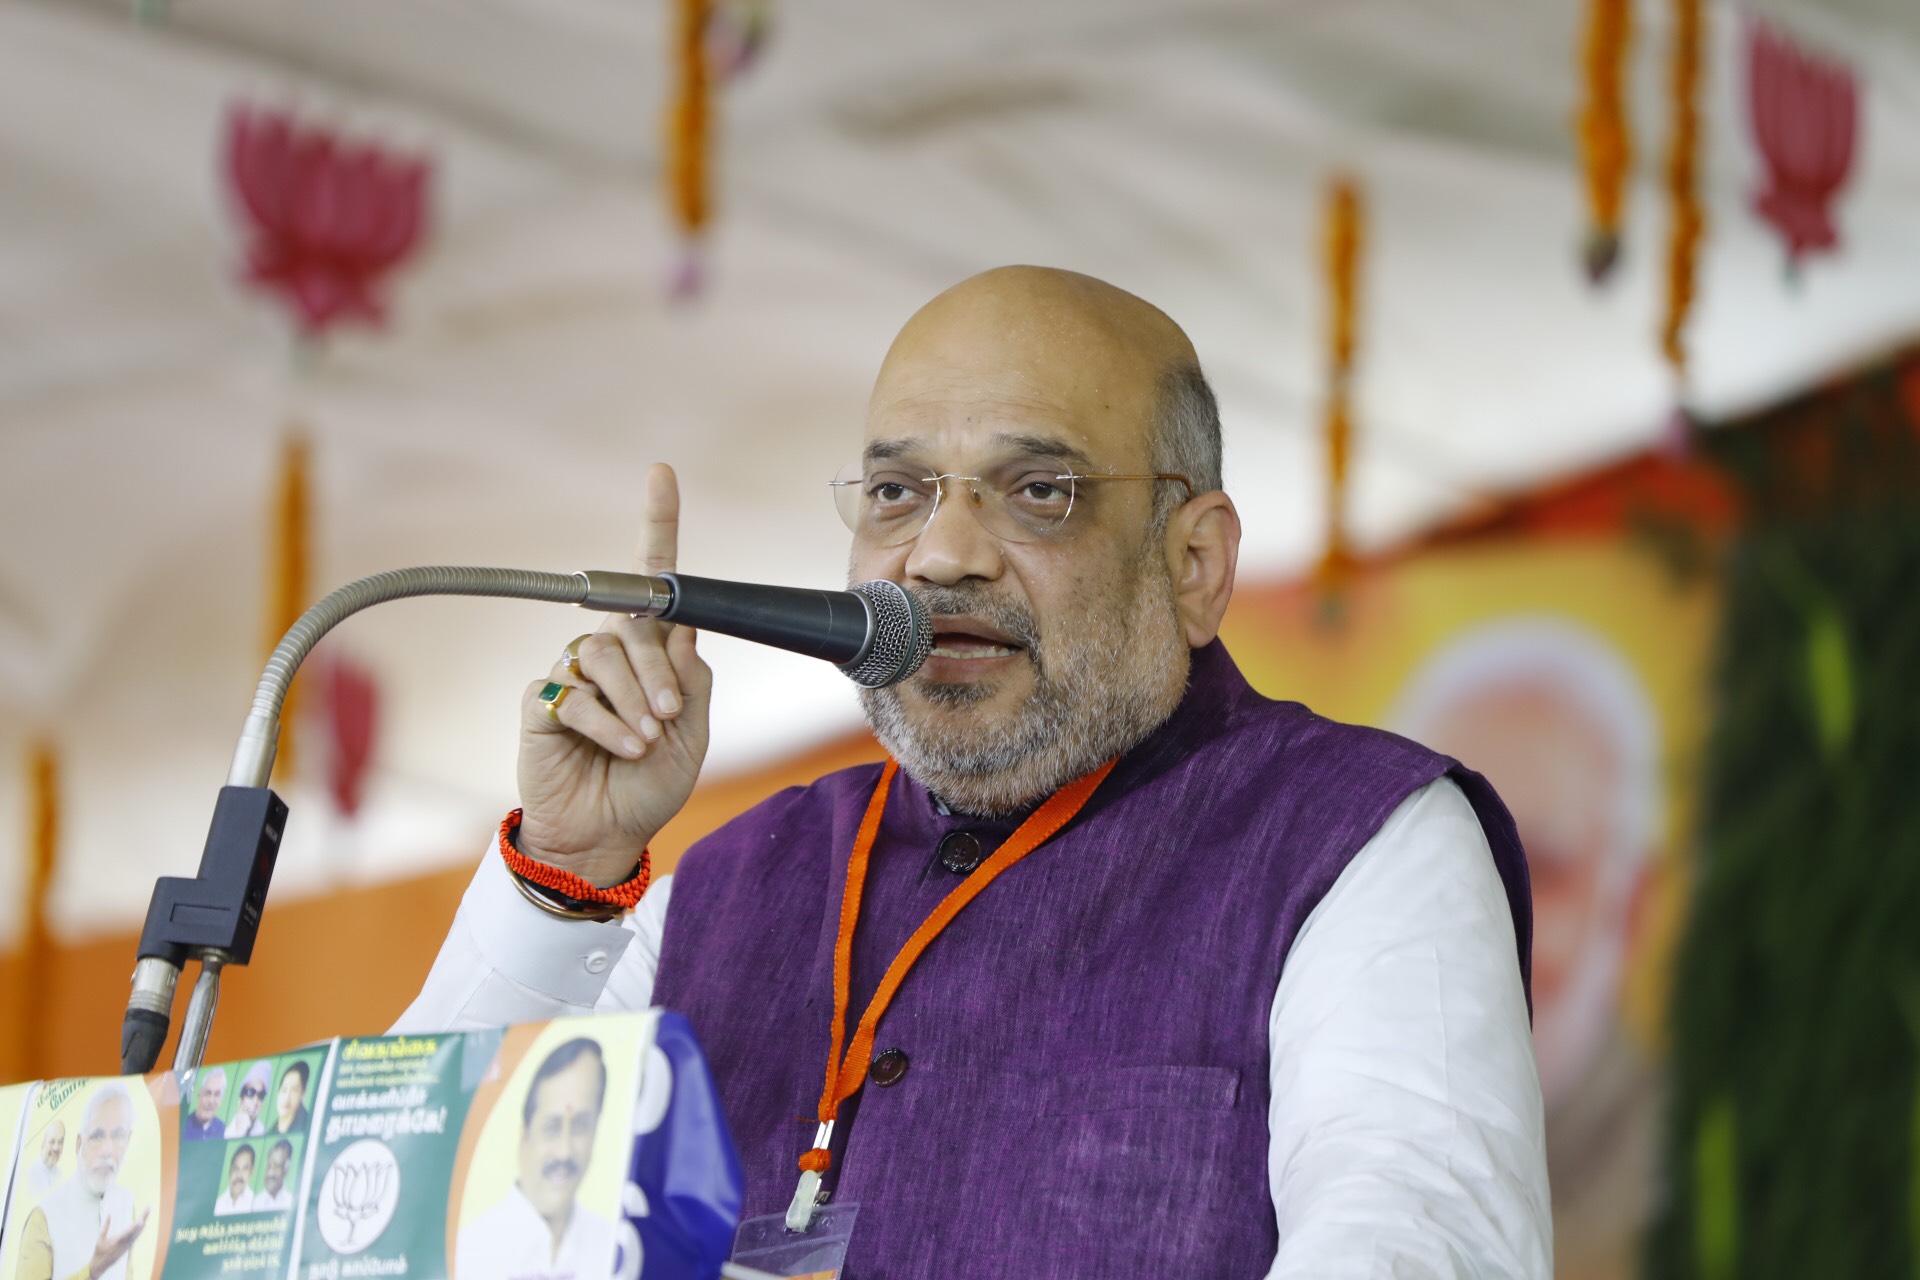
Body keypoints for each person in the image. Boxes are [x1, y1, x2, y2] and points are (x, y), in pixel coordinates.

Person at [400, 266, 1549, 1277]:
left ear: (1194, 563)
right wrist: (564, 872)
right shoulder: (725, 885)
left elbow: (1420, 1244)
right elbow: (397, 1218)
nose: (942, 553)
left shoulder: (1356, 840)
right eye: (898, 492)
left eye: (1038, 488)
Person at [1392, 618, 1660, 1280]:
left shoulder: (1687, 1177)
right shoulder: (1305, 1132)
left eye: (1543, 866)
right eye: (1445, 857)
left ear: (1628, 909)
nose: (1483, 922)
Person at [452, 1038, 614, 1280]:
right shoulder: (468, 1253)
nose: (564, 1151)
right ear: (523, 1136)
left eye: (581, 1126)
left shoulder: (613, 1246)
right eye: (551, 1127)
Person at [17, 1084, 151, 1280]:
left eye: (118, 1136)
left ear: (129, 1140)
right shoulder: (43, 1217)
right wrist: (92, 1272)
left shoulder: (125, 1201)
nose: (107, 1150)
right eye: (97, 1136)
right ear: (79, 1143)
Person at [226, 1063, 274, 1139]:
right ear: (241, 1098)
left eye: (261, 1095)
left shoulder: (265, 1133)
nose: (255, 1101)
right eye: (251, 1092)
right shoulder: (224, 1132)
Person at [181, 1067, 225, 1142]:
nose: (211, 1101)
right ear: (199, 1096)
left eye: (217, 1095)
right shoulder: (181, 1126)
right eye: (207, 1093)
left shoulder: (223, 1131)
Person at [214, 1146, 256, 1217]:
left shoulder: (256, 1203)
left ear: (251, 1171)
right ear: (230, 1171)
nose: (239, 1175)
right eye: (236, 1168)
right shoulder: (218, 1203)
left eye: (245, 1168)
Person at [25, 1120, 65, 1195]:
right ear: (43, 1144)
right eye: (52, 1142)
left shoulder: (60, 1174)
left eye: (60, 1142)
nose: (56, 1148)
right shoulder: (30, 1176)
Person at [256, 1140, 297, 1212]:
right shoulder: (257, 1202)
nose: (270, 1173)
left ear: (286, 1169)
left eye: (277, 1166)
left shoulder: (291, 1201)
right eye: (269, 1166)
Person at [272, 1062, 311, 1135]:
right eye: (284, 1089)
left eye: (294, 1090)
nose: (287, 1098)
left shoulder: (309, 1124)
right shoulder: (271, 1131)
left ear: (303, 1093)